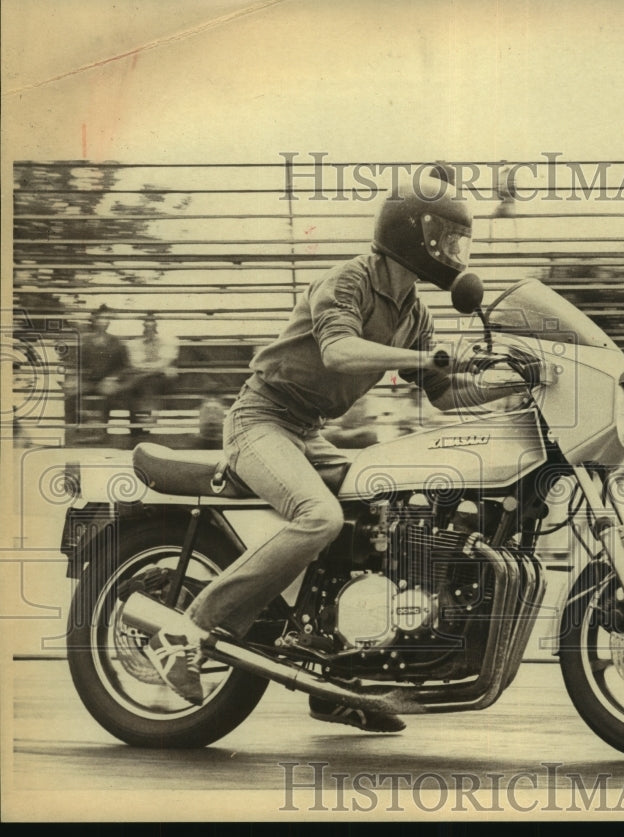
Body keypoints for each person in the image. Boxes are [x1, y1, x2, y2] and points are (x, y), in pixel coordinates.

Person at [143, 175, 529, 732]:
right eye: (444, 237)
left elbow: (444, 396)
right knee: (319, 516)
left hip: (309, 429)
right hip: (262, 420)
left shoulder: (412, 312)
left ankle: (336, 681)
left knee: (380, 510)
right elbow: (340, 350)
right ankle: (188, 629)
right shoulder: (347, 280)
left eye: (457, 241)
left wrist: (513, 387)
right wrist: (425, 360)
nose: (452, 252)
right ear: (412, 235)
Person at [64, 305, 131, 441]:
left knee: (107, 394)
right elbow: (77, 363)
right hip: (89, 381)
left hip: (107, 382)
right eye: (100, 318)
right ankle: (72, 431)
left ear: (109, 322)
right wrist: (74, 378)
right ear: (94, 321)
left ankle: (101, 432)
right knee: (71, 395)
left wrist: (113, 378)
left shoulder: (116, 342)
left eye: (106, 319)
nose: (103, 322)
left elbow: (125, 366)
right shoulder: (86, 341)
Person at [117, 312, 180, 435]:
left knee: (142, 383)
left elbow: (165, 363)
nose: (149, 329)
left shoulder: (168, 341)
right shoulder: (135, 343)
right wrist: (150, 368)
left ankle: (139, 426)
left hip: (162, 379)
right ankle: (141, 424)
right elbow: (134, 363)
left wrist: (147, 368)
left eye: (152, 326)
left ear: (156, 327)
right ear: (143, 327)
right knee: (139, 387)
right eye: (147, 326)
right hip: (143, 379)